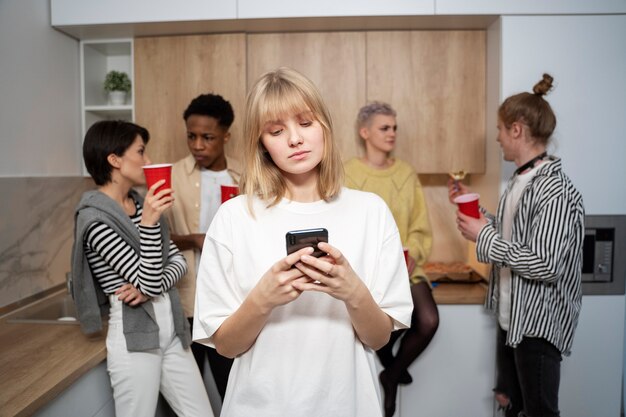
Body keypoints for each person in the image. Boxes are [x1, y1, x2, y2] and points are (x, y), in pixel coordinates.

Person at [192, 67, 414, 417]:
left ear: (325, 126)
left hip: (348, 404)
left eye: (306, 123)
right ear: (262, 145)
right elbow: (226, 346)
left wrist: (352, 290)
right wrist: (262, 300)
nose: (295, 139)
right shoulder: (234, 218)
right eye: (277, 131)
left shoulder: (371, 212)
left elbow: (379, 339)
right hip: (259, 407)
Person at [448, 74, 584, 417]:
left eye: (499, 129)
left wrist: (484, 237)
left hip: (537, 324)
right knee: (512, 406)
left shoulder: (555, 190)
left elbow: (546, 264)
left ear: (517, 129)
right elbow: (513, 239)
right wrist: (474, 211)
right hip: (513, 318)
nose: (497, 137)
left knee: (539, 412)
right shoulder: (521, 181)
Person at [71, 120, 213, 417]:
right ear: (115, 159)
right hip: (135, 334)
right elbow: (149, 281)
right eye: (141, 152)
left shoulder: (140, 203)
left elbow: (176, 263)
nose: (148, 161)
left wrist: (152, 284)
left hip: (172, 331)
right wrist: (149, 223)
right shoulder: (95, 221)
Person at [344, 101, 440, 417]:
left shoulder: (406, 173)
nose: (392, 133)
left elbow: (419, 224)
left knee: (427, 320)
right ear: (365, 132)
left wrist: (413, 253)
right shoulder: (347, 173)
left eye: (395, 127)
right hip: (366, 272)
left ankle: (391, 374)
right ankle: (390, 374)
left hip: (407, 268)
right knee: (382, 323)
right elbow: (344, 224)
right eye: (385, 128)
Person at [166, 93, 241, 400]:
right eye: (191, 136)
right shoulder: (171, 176)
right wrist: (193, 239)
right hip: (186, 303)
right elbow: (153, 236)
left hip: (231, 305)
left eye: (207, 137)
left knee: (234, 394)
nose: (198, 145)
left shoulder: (246, 176)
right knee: (188, 403)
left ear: (226, 136)